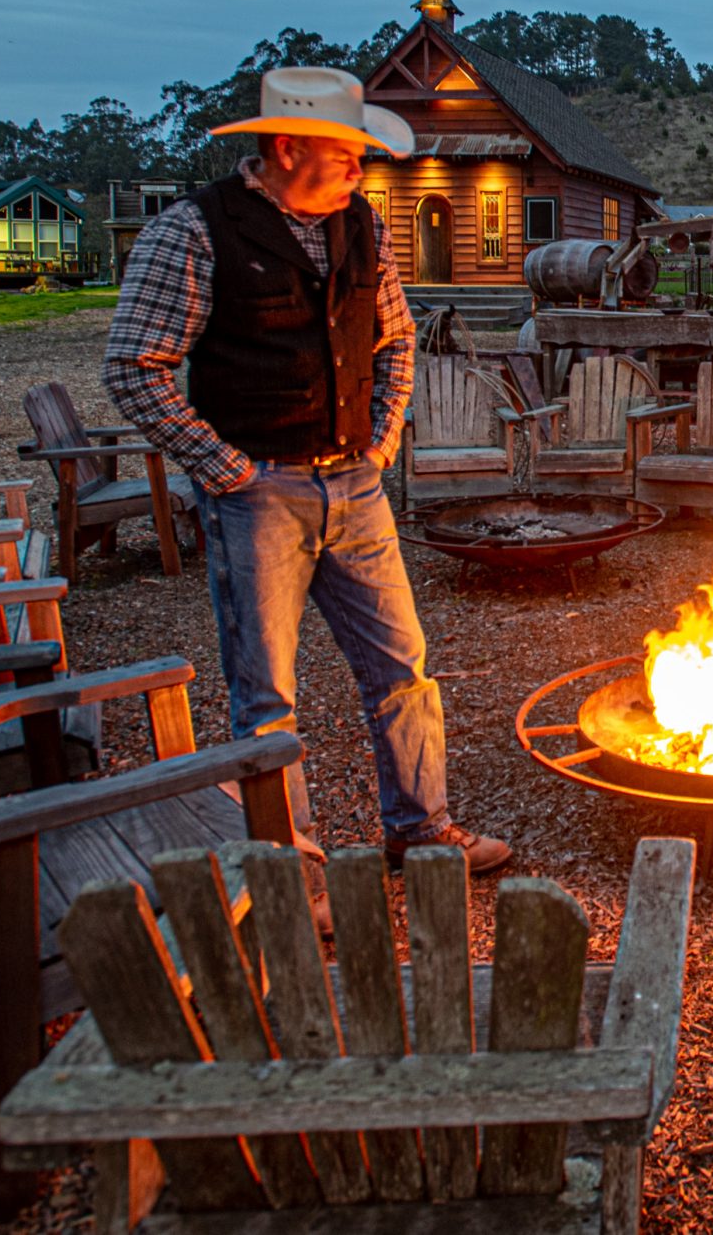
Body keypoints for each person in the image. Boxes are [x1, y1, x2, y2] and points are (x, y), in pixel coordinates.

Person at [103, 65, 510, 882]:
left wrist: (384, 438)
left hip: (354, 484)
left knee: (403, 668)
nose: (363, 171)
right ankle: (289, 869)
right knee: (266, 697)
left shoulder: (360, 224)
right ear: (287, 148)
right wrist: (227, 470)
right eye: (348, 155)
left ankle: (421, 831)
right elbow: (133, 368)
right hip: (259, 496)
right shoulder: (194, 232)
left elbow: (397, 339)